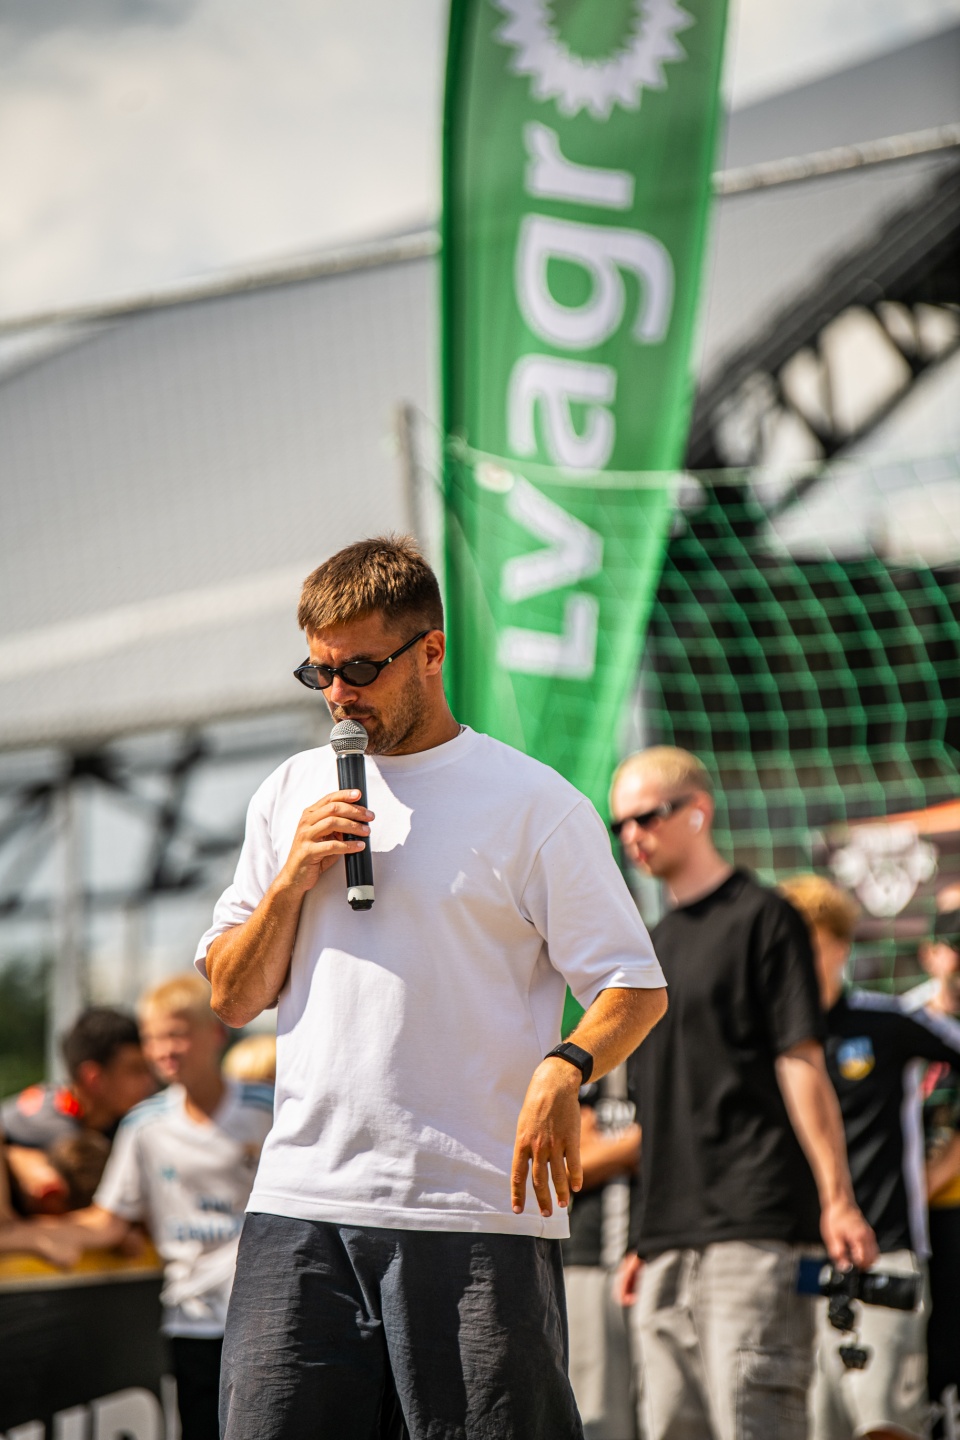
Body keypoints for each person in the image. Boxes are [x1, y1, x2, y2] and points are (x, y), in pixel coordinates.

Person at [196, 535, 668, 1440]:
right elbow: (231, 996)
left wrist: (567, 1065)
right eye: (321, 672)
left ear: (432, 651)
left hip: (474, 1211)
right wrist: (292, 878)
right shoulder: (289, 794)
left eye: (361, 669)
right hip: (301, 1205)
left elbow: (633, 987)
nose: (340, 696)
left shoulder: (534, 805)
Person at [611, 746, 875, 1440]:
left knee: (755, 1422)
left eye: (647, 816)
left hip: (756, 1232)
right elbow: (660, 1108)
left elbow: (801, 1061)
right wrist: (643, 1237)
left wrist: (838, 1199)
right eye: (620, 824)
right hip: (667, 1245)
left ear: (697, 811)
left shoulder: (766, 917)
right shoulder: (650, 946)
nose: (632, 835)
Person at [53, 974, 274, 1440]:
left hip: (269, 1319)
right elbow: (108, 1220)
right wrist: (30, 1234)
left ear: (215, 1033)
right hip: (191, 1322)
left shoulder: (270, 1108)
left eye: (176, 1034)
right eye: (152, 1038)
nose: (163, 1050)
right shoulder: (144, 1125)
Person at [780, 875, 960, 1440]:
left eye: (809, 946)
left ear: (841, 947)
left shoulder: (887, 1021)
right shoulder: (766, 1038)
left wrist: (946, 1162)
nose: (795, 962)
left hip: (886, 1251)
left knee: (883, 1422)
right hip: (797, 1262)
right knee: (812, 1425)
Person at [0, 1006, 154, 1212]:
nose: (148, 1081)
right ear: (93, 1078)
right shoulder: (53, 1132)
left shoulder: (114, 1121)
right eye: (135, 1070)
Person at [562, 1070, 641, 1440]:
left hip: (658, 1257)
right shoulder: (581, 1062)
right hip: (588, 1263)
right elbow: (569, 1163)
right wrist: (637, 1144)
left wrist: (609, 1149)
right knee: (599, 1420)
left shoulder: (660, 1056)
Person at [914, 909, 960, 1436]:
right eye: (952, 946)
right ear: (930, 954)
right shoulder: (908, 1021)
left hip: (942, 1201)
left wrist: (923, 1184)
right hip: (916, 1215)